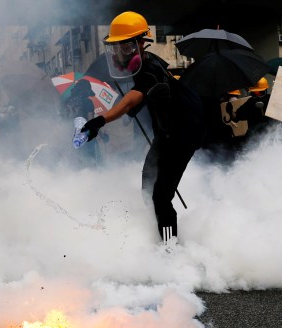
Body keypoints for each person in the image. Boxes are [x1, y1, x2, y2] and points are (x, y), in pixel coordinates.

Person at [80, 11, 204, 247]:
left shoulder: (150, 70)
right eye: (117, 47)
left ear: (140, 44)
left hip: (182, 136)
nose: (120, 53)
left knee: (160, 197)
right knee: (148, 184)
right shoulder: (144, 68)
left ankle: (171, 250)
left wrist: (99, 121)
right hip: (165, 134)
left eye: (126, 47)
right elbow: (144, 100)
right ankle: (162, 234)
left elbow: (129, 101)